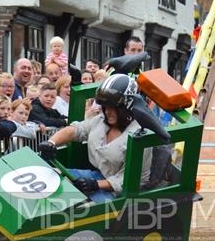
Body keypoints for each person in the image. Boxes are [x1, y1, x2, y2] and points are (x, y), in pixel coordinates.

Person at [37, 73, 152, 203]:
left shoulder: (140, 134)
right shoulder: (101, 120)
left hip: (119, 191)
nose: (107, 111)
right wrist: (51, 142)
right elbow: (76, 130)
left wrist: (96, 185)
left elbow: (132, 179)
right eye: (105, 106)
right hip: (94, 176)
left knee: (93, 212)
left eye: (112, 107)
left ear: (127, 106)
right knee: (51, 176)